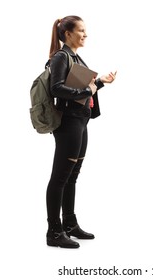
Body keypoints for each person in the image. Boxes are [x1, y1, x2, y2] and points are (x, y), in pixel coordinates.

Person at [45, 15, 116, 249]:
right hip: (69, 123)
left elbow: (84, 88)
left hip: (81, 121)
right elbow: (57, 89)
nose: (85, 35)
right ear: (68, 34)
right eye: (81, 31)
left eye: (85, 31)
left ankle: (69, 224)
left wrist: (101, 82)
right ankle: (54, 231)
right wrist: (88, 87)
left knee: (72, 175)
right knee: (60, 177)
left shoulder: (75, 57)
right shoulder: (60, 57)